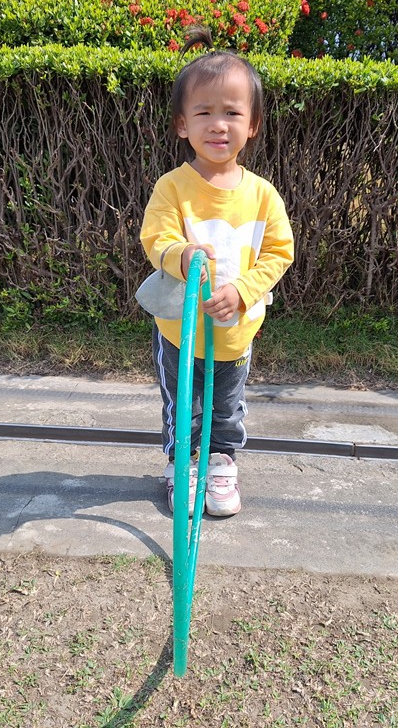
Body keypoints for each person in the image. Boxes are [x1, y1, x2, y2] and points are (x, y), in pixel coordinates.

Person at [140, 27, 294, 518]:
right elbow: (156, 239)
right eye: (204, 112)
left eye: (232, 112)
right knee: (182, 402)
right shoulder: (172, 187)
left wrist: (245, 290)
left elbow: (279, 252)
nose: (218, 125)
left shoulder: (263, 195)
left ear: (253, 125)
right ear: (182, 125)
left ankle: (222, 462)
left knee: (227, 405)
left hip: (236, 329)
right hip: (179, 330)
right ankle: (182, 465)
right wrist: (182, 255)